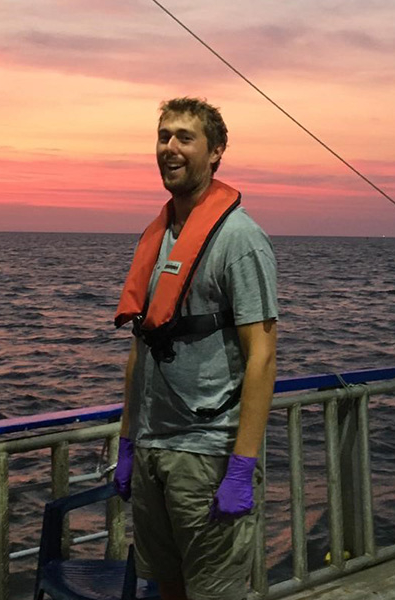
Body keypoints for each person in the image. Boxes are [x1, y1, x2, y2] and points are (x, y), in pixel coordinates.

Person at [113, 97, 278, 600]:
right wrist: (127, 441)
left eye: (185, 137)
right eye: (164, 136)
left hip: (208, 457)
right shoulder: (160, 236)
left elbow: (263, 355)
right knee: (167, 587)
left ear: (216, 153)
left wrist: (242, 467)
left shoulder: (240, 240)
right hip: (153, 448)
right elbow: (144, 347)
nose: (170, 148)